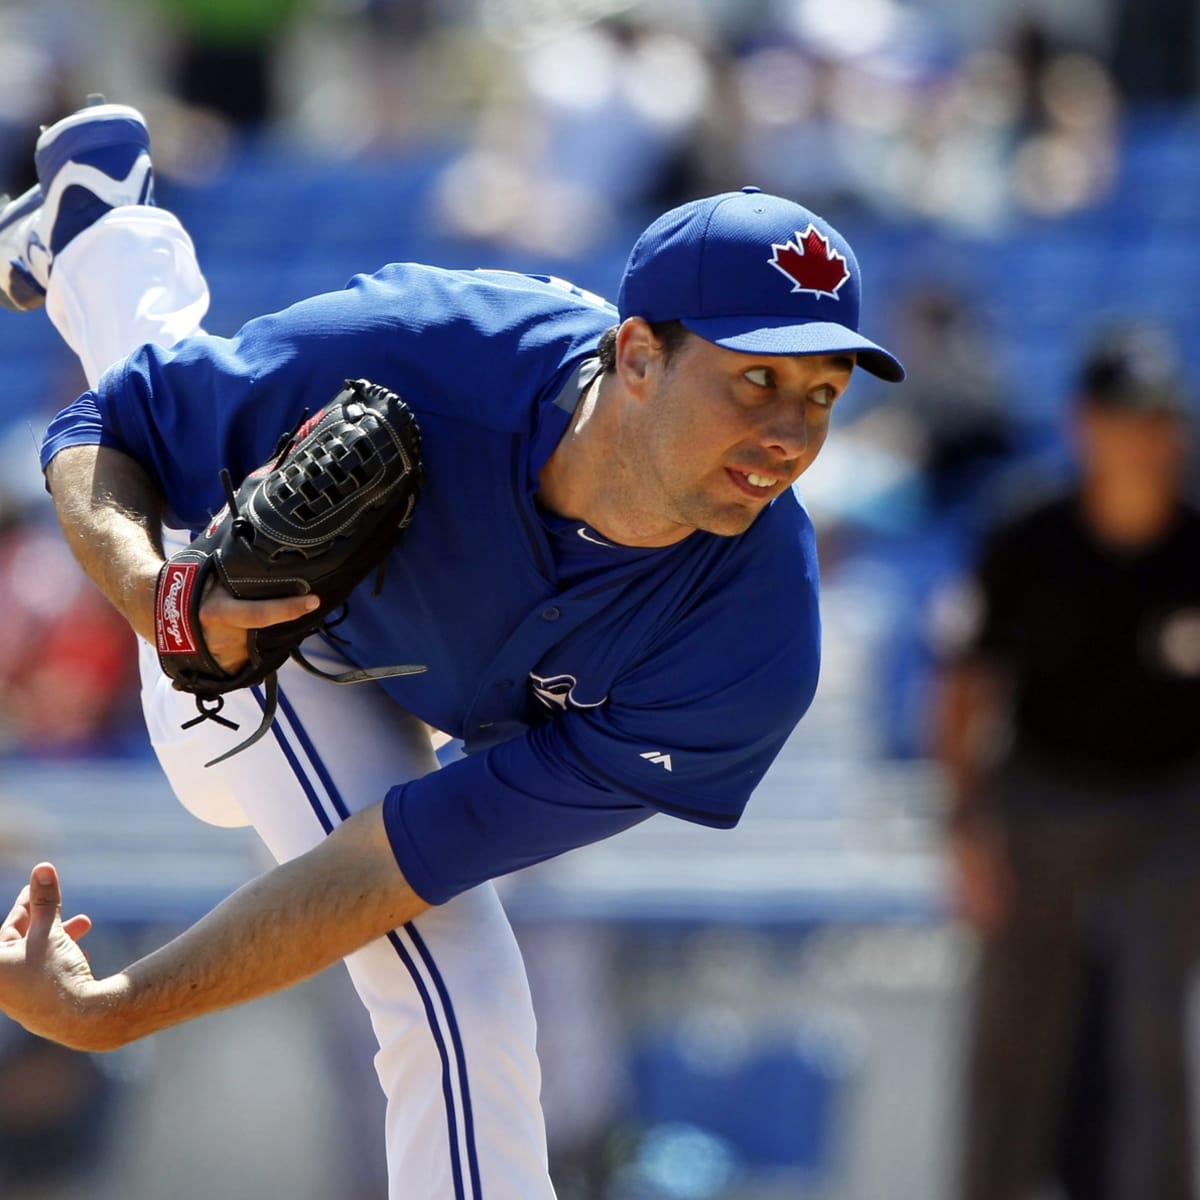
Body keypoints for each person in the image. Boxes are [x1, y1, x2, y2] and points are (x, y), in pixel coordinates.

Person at [0, 99, 903, 1198]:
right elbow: (99, 433)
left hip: (414, 701)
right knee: (462, 983)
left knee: (456, 969)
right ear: (636, 357)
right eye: (755, 378)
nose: (789, 435)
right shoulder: (424, 353)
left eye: (820, 394)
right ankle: (103, 235)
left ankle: (97, 230)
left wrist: (118, 1007)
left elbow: (389, 862)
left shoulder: (751, 643)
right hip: (260, 641)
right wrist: (162, 601)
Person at [934, 323, 1200, 1200]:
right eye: (1125, 417)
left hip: (1169, 806)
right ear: (1084, 425)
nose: (1146, 437)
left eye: (1160, 418)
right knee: (1012, 1029)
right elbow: (966, 687)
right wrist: (966, 827)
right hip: (1040, 796)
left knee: (1155, 1032)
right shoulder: (1027, 537)